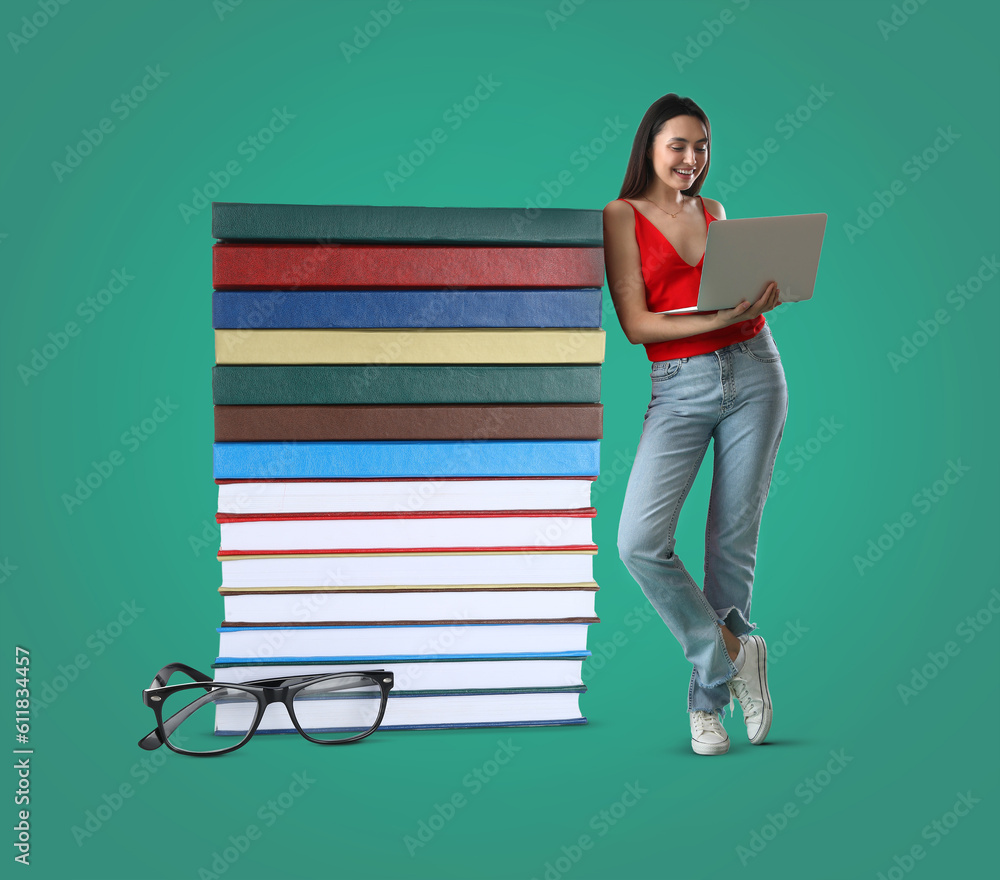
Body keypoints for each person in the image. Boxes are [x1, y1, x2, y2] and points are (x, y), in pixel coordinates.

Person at [603, 93, 787, 756]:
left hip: (755, 370)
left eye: (701, 146)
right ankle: (733, 657)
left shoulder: (715, 212)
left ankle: (707, 708)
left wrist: (760, 298)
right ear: (650, 146)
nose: (690, 158)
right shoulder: (620, 216)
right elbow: (636, 325)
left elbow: (734, 299)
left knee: (730, 544)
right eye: (678, 144)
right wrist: (716, 319)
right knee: (638, 542)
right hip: (678, 388)